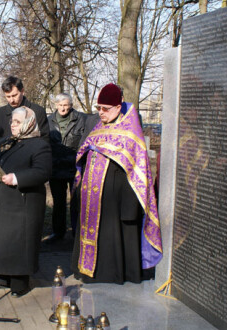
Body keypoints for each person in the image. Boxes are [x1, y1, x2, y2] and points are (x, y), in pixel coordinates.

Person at [71, 83, 162, 284]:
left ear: (118, 107)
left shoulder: (130, 133)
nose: (101, 113)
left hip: (116, 202)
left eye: (105, 109)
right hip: (92, 200)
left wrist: (129, 208)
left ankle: (114, 273)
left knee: (112, 238)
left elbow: (138, 173)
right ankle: (89, 271)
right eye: (98, 108)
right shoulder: (97, 128)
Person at [0, 107, 52, 297]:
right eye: (12, 122)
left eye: (17, 122)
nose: (12, 125)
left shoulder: (39, 145)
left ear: (29, 123)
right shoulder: (5, 141)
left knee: (16, 244)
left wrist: (17, 177)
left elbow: (43, 172)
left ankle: (19, 283)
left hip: (21, 204)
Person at [44, 93, 86, 244]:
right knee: (59, 202)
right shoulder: (48, 121)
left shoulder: (82, 119)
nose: (63, 108)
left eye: (66, 105)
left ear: (71, 104)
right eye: (60, 105)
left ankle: (78, 232)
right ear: (55, 105)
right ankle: (58, 232)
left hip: (76, 168)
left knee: (77, 202)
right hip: (56, 168)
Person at [0, 76, 50, 146]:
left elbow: (44, 140)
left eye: (14, 95)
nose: (11, 100)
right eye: (8, 96)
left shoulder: (38, 111)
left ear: (22, 91)